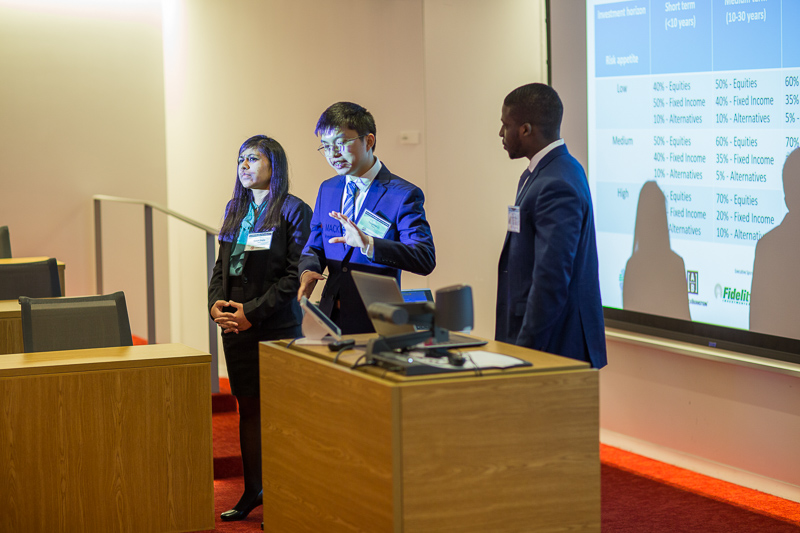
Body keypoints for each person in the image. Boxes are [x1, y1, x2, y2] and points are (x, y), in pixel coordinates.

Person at [208, 135, 312, 521]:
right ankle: (253, 491)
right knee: (247, 410)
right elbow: (221, 267)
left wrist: (251, 312)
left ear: (275, 165)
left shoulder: (294, 210)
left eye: (253, 158)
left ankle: (286, 497)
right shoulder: (235, 208)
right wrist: (215, 305)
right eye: (240, 159)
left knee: (280, 415)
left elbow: (292, 278)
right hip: (235, 328)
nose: (245, 165)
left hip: (275, 326)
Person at [297, 101, 436, 334]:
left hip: (378, 322)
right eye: (326, 146)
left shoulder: (402, 195)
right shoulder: (328, 189)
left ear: (368, 141)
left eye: (341, 143)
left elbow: (424, 258)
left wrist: (369, 244)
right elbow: (315, 244)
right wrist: (308, 269)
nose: (333, 154)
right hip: (330, 319)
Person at [495, 83, 607, 368]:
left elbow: (552, 279)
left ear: (526, 129)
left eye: (505, 125)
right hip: (545, 342)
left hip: (555, 347)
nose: (500, 134)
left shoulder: (555, 183)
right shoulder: (546, 172)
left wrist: (526, 352)